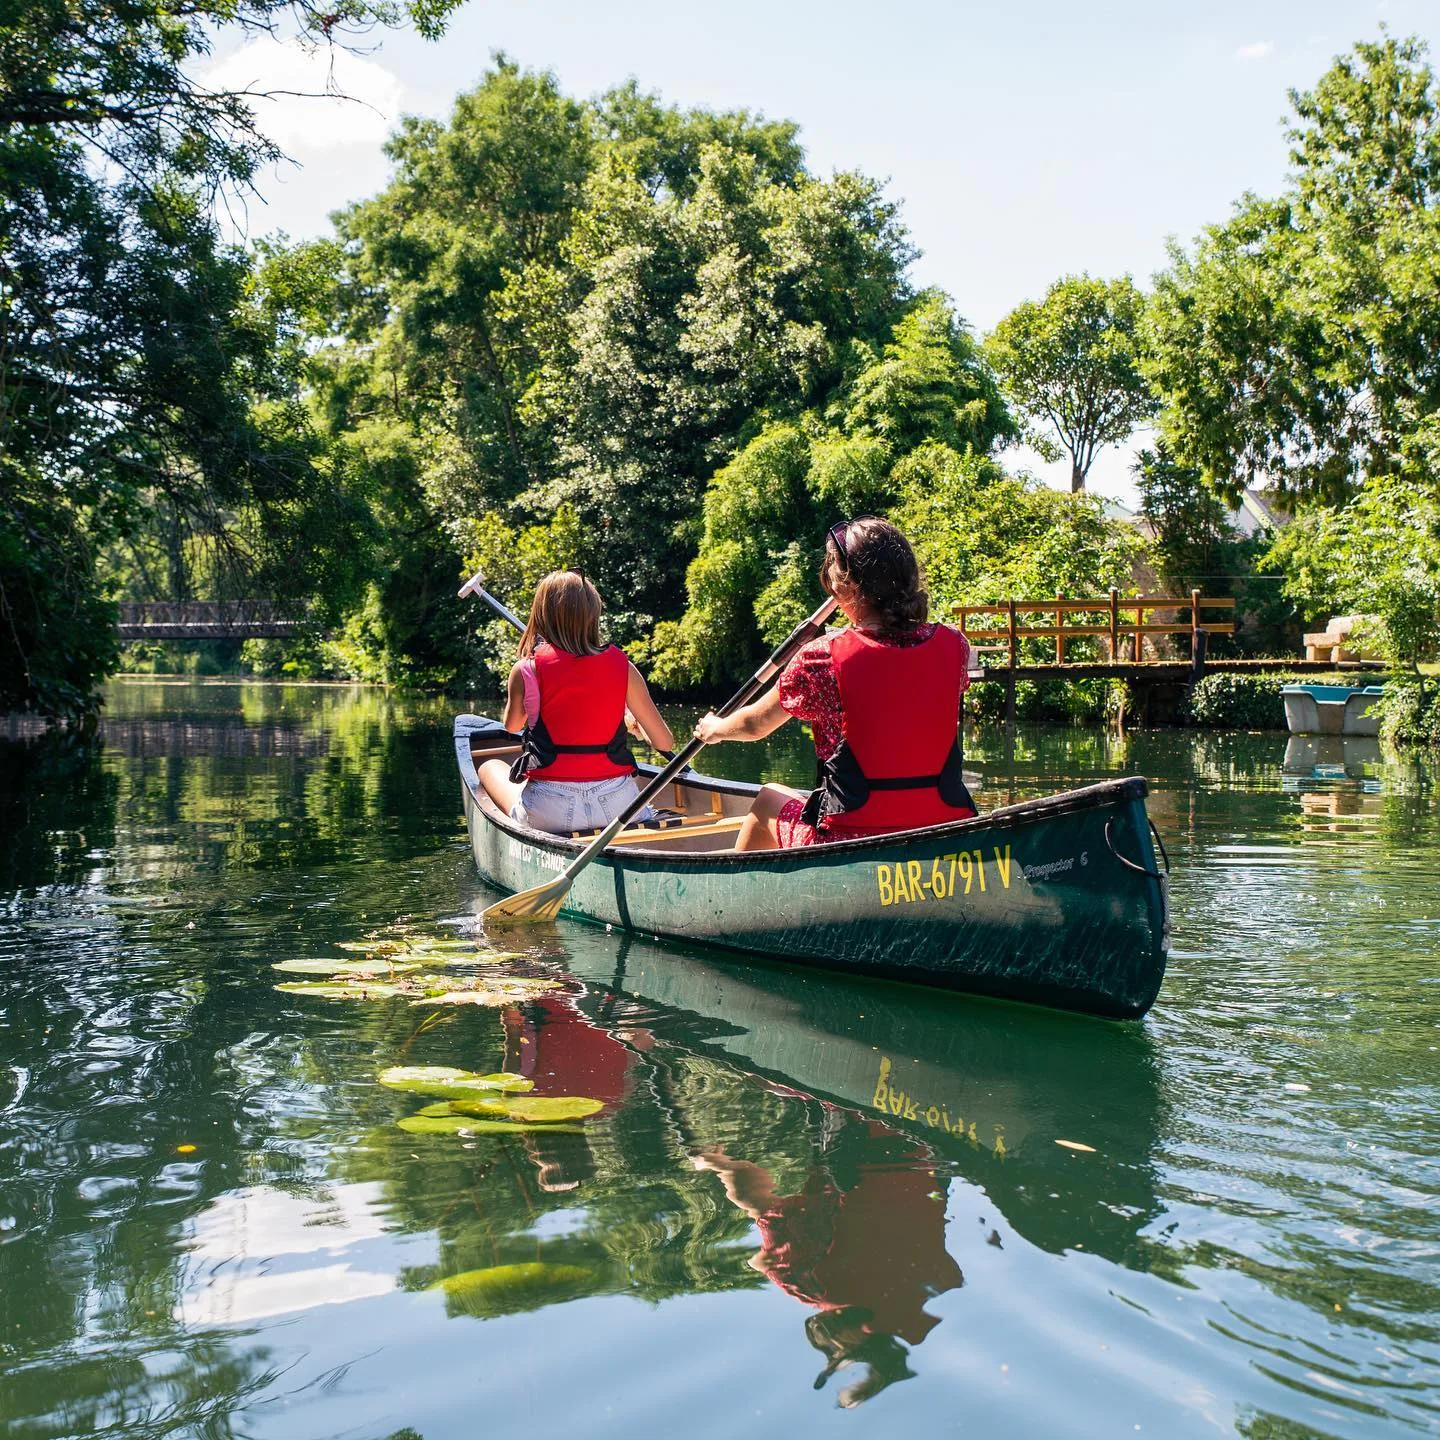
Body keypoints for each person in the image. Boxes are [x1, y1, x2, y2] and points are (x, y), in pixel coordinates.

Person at [693, 516, 975, 850]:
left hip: (849, 836)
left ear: (844, 585)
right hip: (943, 828)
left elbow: (755, 724)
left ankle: (740, 896)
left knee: (769, 799)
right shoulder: (954, 646)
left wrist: (715, 728)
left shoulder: (821, 658)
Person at [479, 571, 674, 835]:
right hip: (618, 807)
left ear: (540, 616)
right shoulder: (624, 668)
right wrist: (630, 722)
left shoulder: (527, 669)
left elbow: (512, 725)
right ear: (593, 616)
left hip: (551, 809)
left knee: (490, 767)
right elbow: (664, 743)